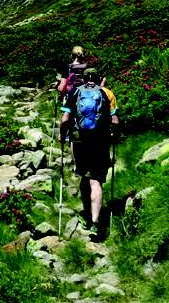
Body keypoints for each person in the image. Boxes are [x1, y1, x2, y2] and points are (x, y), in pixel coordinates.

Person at [60, 65, 118, 241]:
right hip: (100, 142)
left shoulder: (74, 92)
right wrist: (114, 136)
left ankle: (86, 215)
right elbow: (115, 121)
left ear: (84, 79)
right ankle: (95, 222)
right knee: (96, 181)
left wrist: (63, 136)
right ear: (98, 78)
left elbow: (65, 119)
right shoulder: (107, 93)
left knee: (84, 177)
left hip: (80, 142)